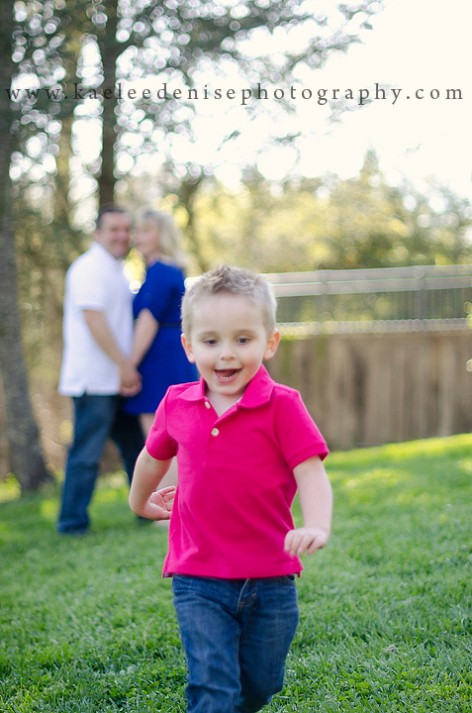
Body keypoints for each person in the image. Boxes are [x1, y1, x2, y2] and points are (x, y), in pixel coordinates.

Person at [129, 265, 333, 713]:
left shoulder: (283, 406)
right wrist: (138, 500)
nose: (226, 354)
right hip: (197, 577)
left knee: (259, 685)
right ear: (188, 345)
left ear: (270, 341)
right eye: (211, 340)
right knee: (212, 687)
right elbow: (152, 457)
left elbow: (311, 472)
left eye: (243, 339)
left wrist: (317, 524)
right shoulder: (176, 403)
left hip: (272, 577)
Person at [57, 204, 145, 535]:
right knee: (87, 454)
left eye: (126, 229)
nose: (122, 235)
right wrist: (125, 365)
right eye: (114, 229)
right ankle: (71, 523)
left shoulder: (116, 270)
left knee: (136, 450)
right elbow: (93, 320)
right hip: (95, 380)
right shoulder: (88, 268)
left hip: (117, 380)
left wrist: (126, 370)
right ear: (98, 233)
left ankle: (148, 512)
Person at [124, 208, 198, 436]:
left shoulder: (161, 272)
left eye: (146, 231)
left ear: (162, 235)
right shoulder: (161, 271)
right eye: (137, 232)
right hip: (167, 357)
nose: (138, 238)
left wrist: (128, 367)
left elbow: (148, 323)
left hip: (161, 362)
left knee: (161, 442)